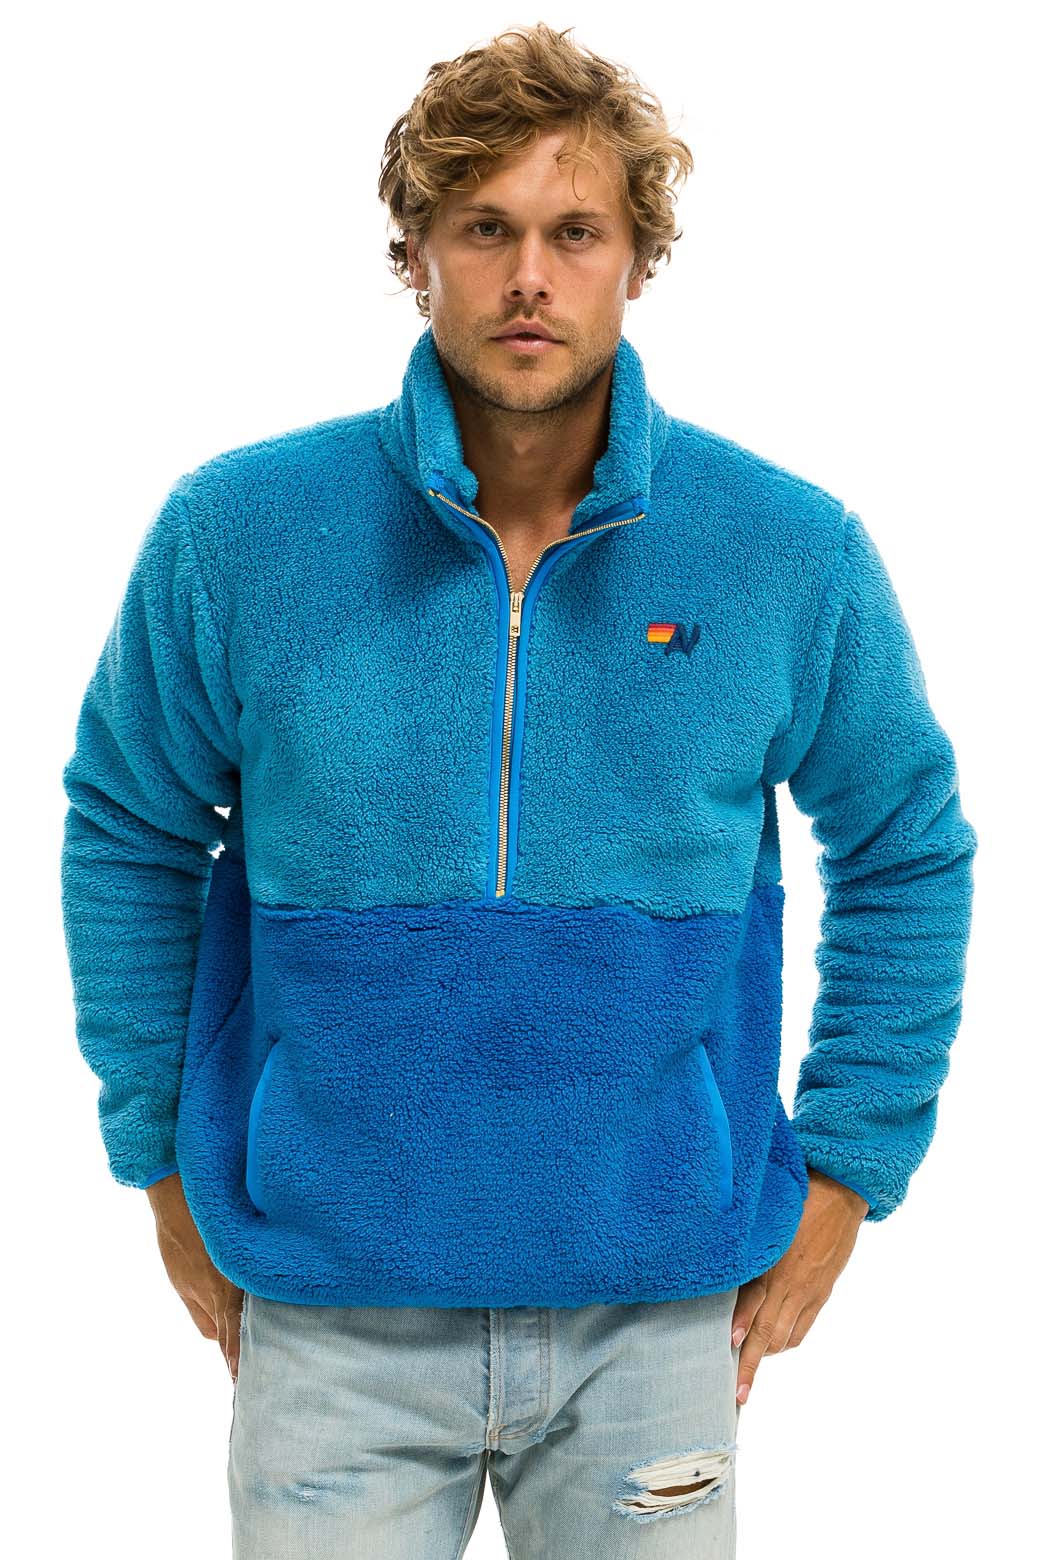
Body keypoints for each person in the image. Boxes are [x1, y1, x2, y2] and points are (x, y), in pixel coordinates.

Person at [59, 22, 977, 1558]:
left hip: (656, 1314)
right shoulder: (239, 534)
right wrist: (159, 1161)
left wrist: (849, 1172)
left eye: (576, 232)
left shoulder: (785, 550)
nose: (530, 277)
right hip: (331, 1314)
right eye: (485, 229)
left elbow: (906, 850)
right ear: (414, 252)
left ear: (639, 260)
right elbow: (129, 833)